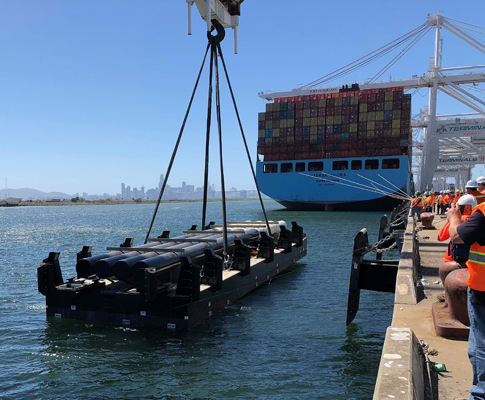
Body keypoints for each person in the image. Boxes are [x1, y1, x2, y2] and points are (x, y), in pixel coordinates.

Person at [447, 196, 485, 398]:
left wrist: (454, 217)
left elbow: (455, 237)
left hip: (482, 292)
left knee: (480, 346)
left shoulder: (483, 213)